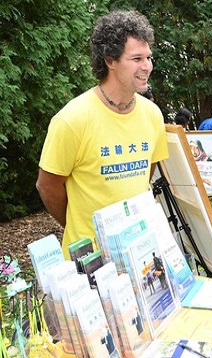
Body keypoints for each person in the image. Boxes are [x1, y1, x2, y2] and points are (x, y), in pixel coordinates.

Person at [36, 10, 169, 259]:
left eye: (149, 57)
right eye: (137, 58)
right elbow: (47, 185)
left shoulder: (153, 115)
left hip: (138, 254)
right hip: (89, 260)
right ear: (110, 60)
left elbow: (145, 174)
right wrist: (78, 226)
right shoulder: (72, 119)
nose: (147, 66)